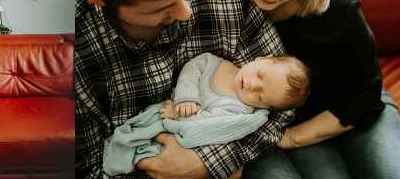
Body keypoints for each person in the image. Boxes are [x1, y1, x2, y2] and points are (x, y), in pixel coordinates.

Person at [196, 0, 400, 178]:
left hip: (352, 108)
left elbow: (365, 97)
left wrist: (292, 138)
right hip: (273, 120)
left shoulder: (341, 8)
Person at [75, 0, 291, 178]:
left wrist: (209, 162)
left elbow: (282, 102)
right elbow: (85, 167)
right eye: (161, 7)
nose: (186, 13)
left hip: (238, 149)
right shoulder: (67, 50)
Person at [103, 53, 310, 176]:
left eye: (260, 96)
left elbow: (205, 126)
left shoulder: (238, 110)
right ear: (263, 58)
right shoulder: (217, 62)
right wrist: (185, 97)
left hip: (180, 135)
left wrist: (178, 115)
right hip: (170, 105)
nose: (251, 84)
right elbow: (192, 68)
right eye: (259, 74)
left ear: (265, 108)